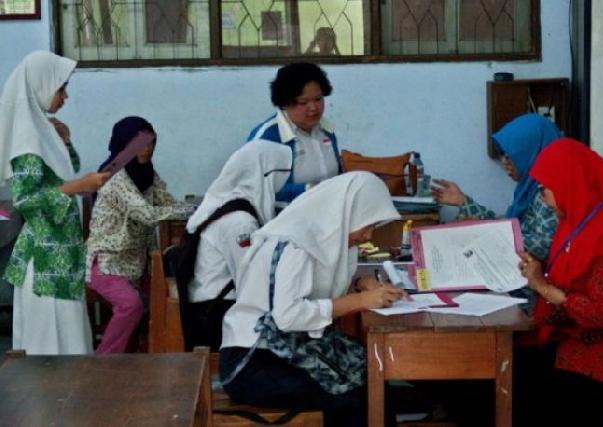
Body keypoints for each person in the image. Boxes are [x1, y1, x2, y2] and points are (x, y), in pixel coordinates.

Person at [219, 171, 406, 426]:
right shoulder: (295, 243)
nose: (368, 236)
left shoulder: (323, 237)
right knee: (351, 399)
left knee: (374, 380)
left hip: (287, 350)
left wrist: (359, 285)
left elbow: (313, 292)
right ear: (348, 212)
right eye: (368, 224)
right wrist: (362, 301)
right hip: (252, 362)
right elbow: (288, 316)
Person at [515, 139, 603, 427]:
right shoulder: (578, 220)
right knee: (509, 368)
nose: (543, 197)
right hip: (573, 333)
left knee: (519, 387)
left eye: (545, 188)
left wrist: (542, 286)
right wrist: (538, 271)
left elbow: (602, 314)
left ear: (569, 184)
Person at [0, 51, 110, 355]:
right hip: (44, 263)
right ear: (41, 85)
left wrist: (66, 141)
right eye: (61, 88)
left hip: (60, 254)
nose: (65, 96)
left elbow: (64, 172)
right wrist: (80, 186)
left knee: (69, 345)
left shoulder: (42, 130)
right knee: (49, 354)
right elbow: (25, 201)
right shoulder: (27, 141)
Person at [85, 116, 192, 354]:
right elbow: (147, 214)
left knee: (166, 297)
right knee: (131, 305)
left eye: (150, 143)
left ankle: (141, 359)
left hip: (137, 263)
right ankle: (103, 360)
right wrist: (191, 210)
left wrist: (196, 209)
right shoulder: (114, 177)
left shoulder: (148, 174)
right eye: (139, 144)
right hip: (106, 262)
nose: (146, 149)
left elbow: (168, 203)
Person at [431, 114, 561, 310]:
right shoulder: (527, 189)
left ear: (531, 152)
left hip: (536, 296)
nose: (504, 162)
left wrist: (483, 232)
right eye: (502, 154)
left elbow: (544, 245)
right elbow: (509, 227)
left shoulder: (549, 193)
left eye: (512, 155)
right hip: (516, 284)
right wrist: (463, 202)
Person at [181, 141, 292, 351]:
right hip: (214, 316)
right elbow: (251, 282)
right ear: (265, 177)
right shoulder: (240, 222)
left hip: (209, 308)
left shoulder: (224, 204)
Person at [247, 62, 341, 203]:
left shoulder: (327, 131)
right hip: (286, 214)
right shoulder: (266, 138)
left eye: (318, 99)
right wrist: (308, 190)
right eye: (303, 102)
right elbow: (255, 190)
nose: (313, 108)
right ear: (285, 103)